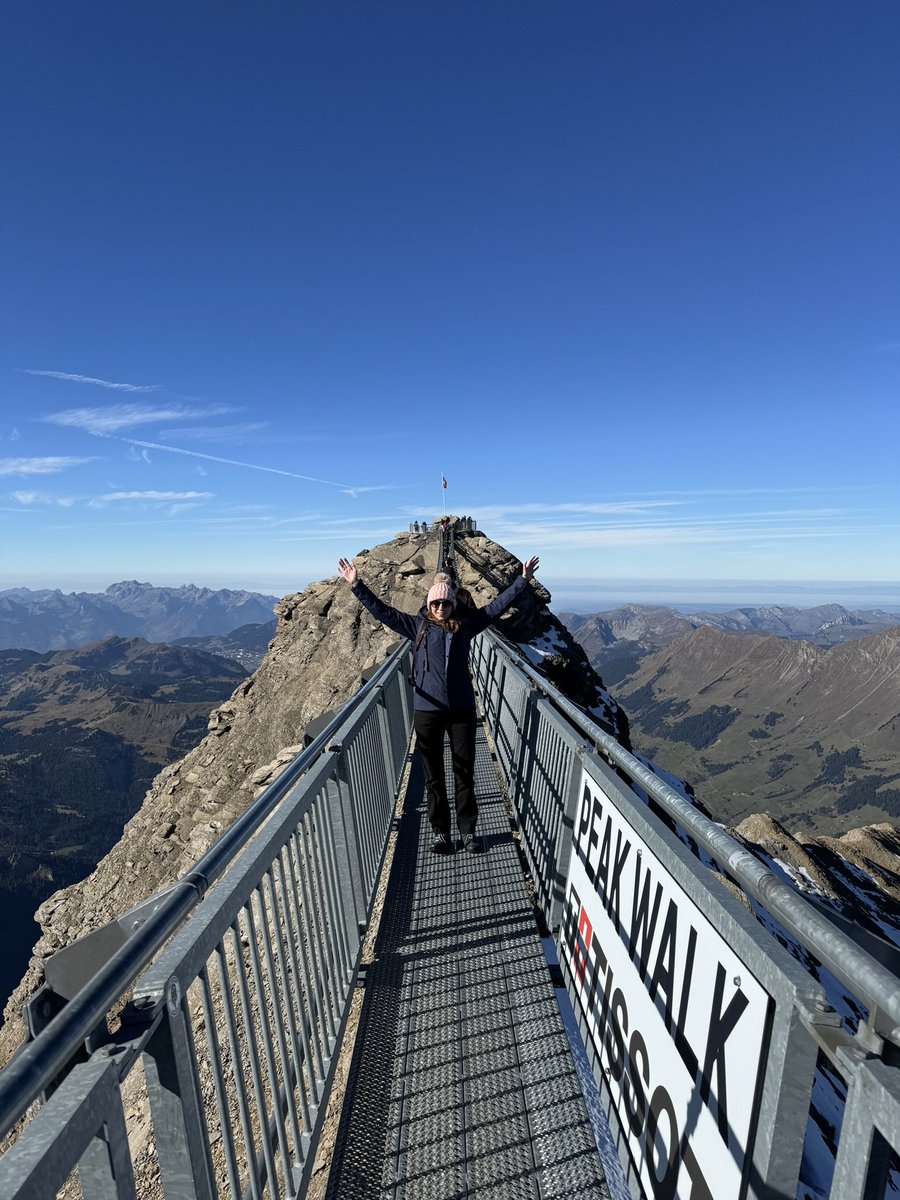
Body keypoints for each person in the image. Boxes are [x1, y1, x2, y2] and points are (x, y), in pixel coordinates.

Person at [337, 553, 540, 853]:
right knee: (433, 776)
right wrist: (357, 585)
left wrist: (522, 581)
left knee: (464, 771)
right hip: (428, 711)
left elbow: (496, 608)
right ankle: (441, 833)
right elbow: (383, 612)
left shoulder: (466, 625)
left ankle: (468, 832)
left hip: (461, 711)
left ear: (453, 604)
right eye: (435, 604)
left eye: (445, 603)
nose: (440, 608)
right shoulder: (416, 626)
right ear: (428, 605)